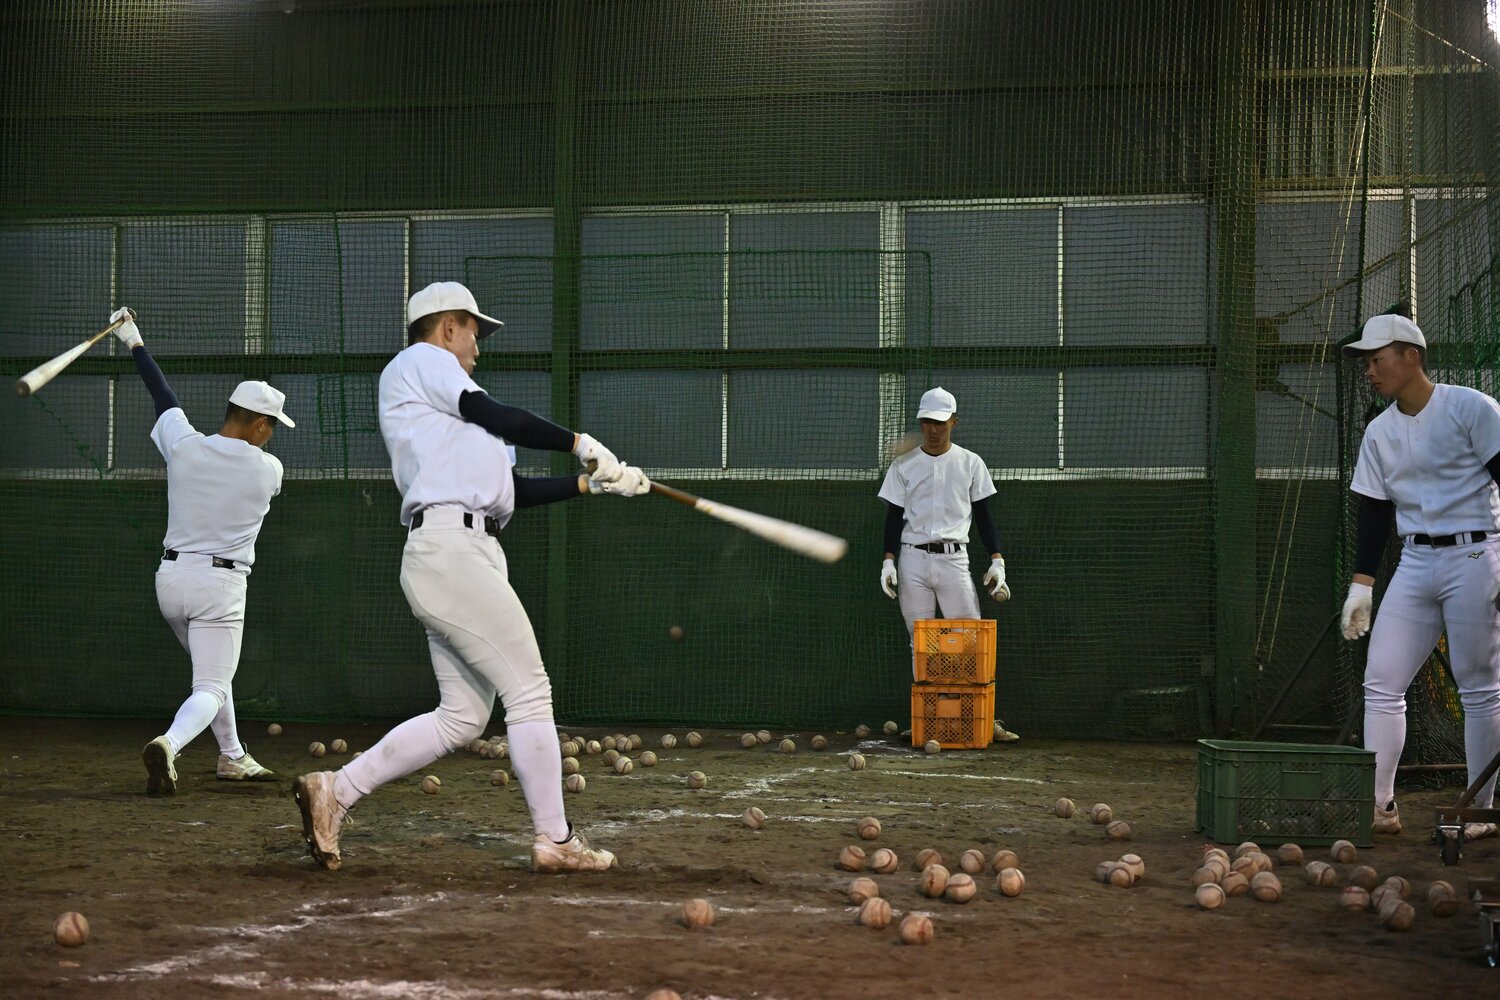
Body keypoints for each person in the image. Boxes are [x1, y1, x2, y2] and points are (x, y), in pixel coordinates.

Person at [292, 281, 647, 873]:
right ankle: (556, 840)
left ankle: (335, 792)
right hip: (449, 549)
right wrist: (580, 442)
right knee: (529, 690)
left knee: (463, 716)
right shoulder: (422, 361)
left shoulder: (453, 421)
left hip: (467, 550)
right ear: (448, 326)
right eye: (473, 333)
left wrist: (593, 483)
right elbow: (496, 414)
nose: (478, 347)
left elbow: (512, 492)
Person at [113, 307, 295, 795]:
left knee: (214, 675)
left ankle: (233, 756)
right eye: (272, 425)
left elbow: (162, 396)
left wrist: (133, 338)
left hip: (171, 582)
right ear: (259, 424)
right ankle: (168, 744)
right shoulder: (269, 470)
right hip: (219, 586)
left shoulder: (185, 446)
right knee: (212, 685)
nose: (272, 434)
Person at [1340, 312, 1500, 840]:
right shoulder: (1379, 431)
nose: (1370, 371)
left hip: (1477, 554)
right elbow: (1374, 510)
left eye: (1377, 359)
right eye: (1366, 362)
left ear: (1412, 357)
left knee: (1480, 689)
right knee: (1382, 681)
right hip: (1416, 561)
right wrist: (1361, 585)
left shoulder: (1471, 407)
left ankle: (1479, 812)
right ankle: (1380, 807)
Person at [878, 386, 1018, 742]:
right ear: (920, 422)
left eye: (940, 422)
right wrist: (888, 561)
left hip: (954, 558)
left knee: (968, 639)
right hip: (912, 558)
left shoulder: (970, 462)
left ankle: (978, 719)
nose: (933, 429)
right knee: (921, 642)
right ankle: (927, 719)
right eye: (927, 422)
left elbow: (984, 516)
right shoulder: (903, 465)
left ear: (954, 422)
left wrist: (997, 559)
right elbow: (893, 517)